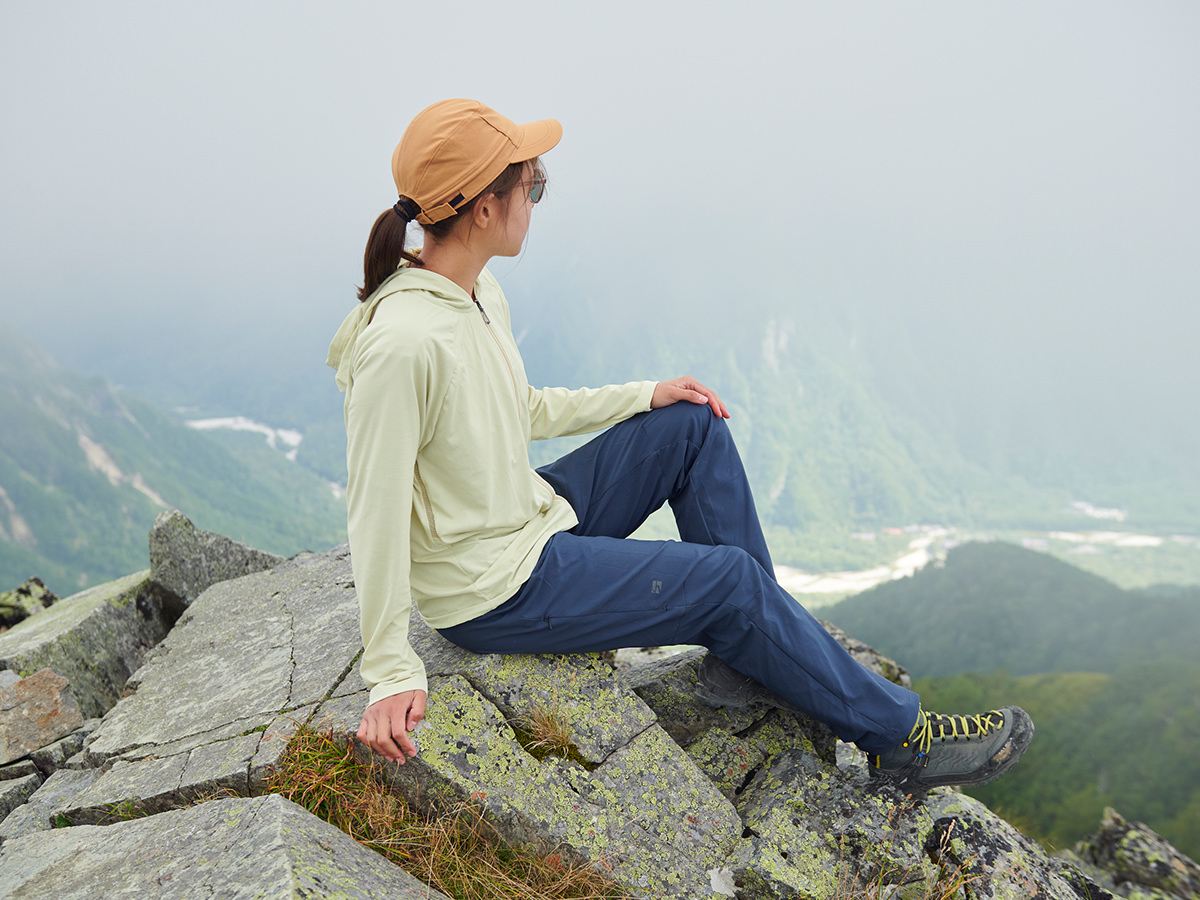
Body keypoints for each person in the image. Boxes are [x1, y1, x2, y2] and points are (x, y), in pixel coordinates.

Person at [326, 98, 1033, 793]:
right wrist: (391, 669)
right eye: (532, 183)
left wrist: (646, 394)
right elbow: (376, 509)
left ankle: (758, 652)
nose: (537, 198)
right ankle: (899, 743)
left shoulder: (477, 293)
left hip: (529, 517)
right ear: (483, 207)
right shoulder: (404, 342)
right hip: (495, 589)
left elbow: (519, 408)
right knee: (727, 581)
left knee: (693, 425)